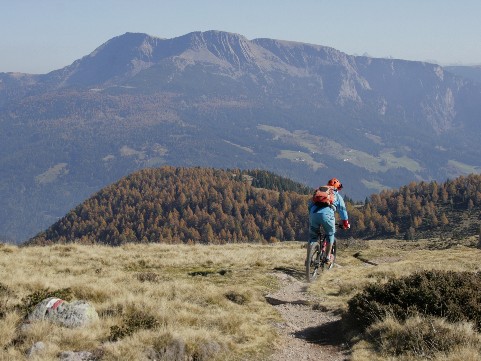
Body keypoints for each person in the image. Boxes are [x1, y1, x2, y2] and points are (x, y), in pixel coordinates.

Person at [308, 178, 350, 265]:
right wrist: (345, 224)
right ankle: (327, 257)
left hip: (313, 214)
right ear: (337, 188)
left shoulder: (319, 192)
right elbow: (343, 211)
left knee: (313, 237)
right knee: (330, 234)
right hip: (327, 216)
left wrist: (312, 216)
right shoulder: (336, 195)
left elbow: (310, 206)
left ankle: (308, 259)